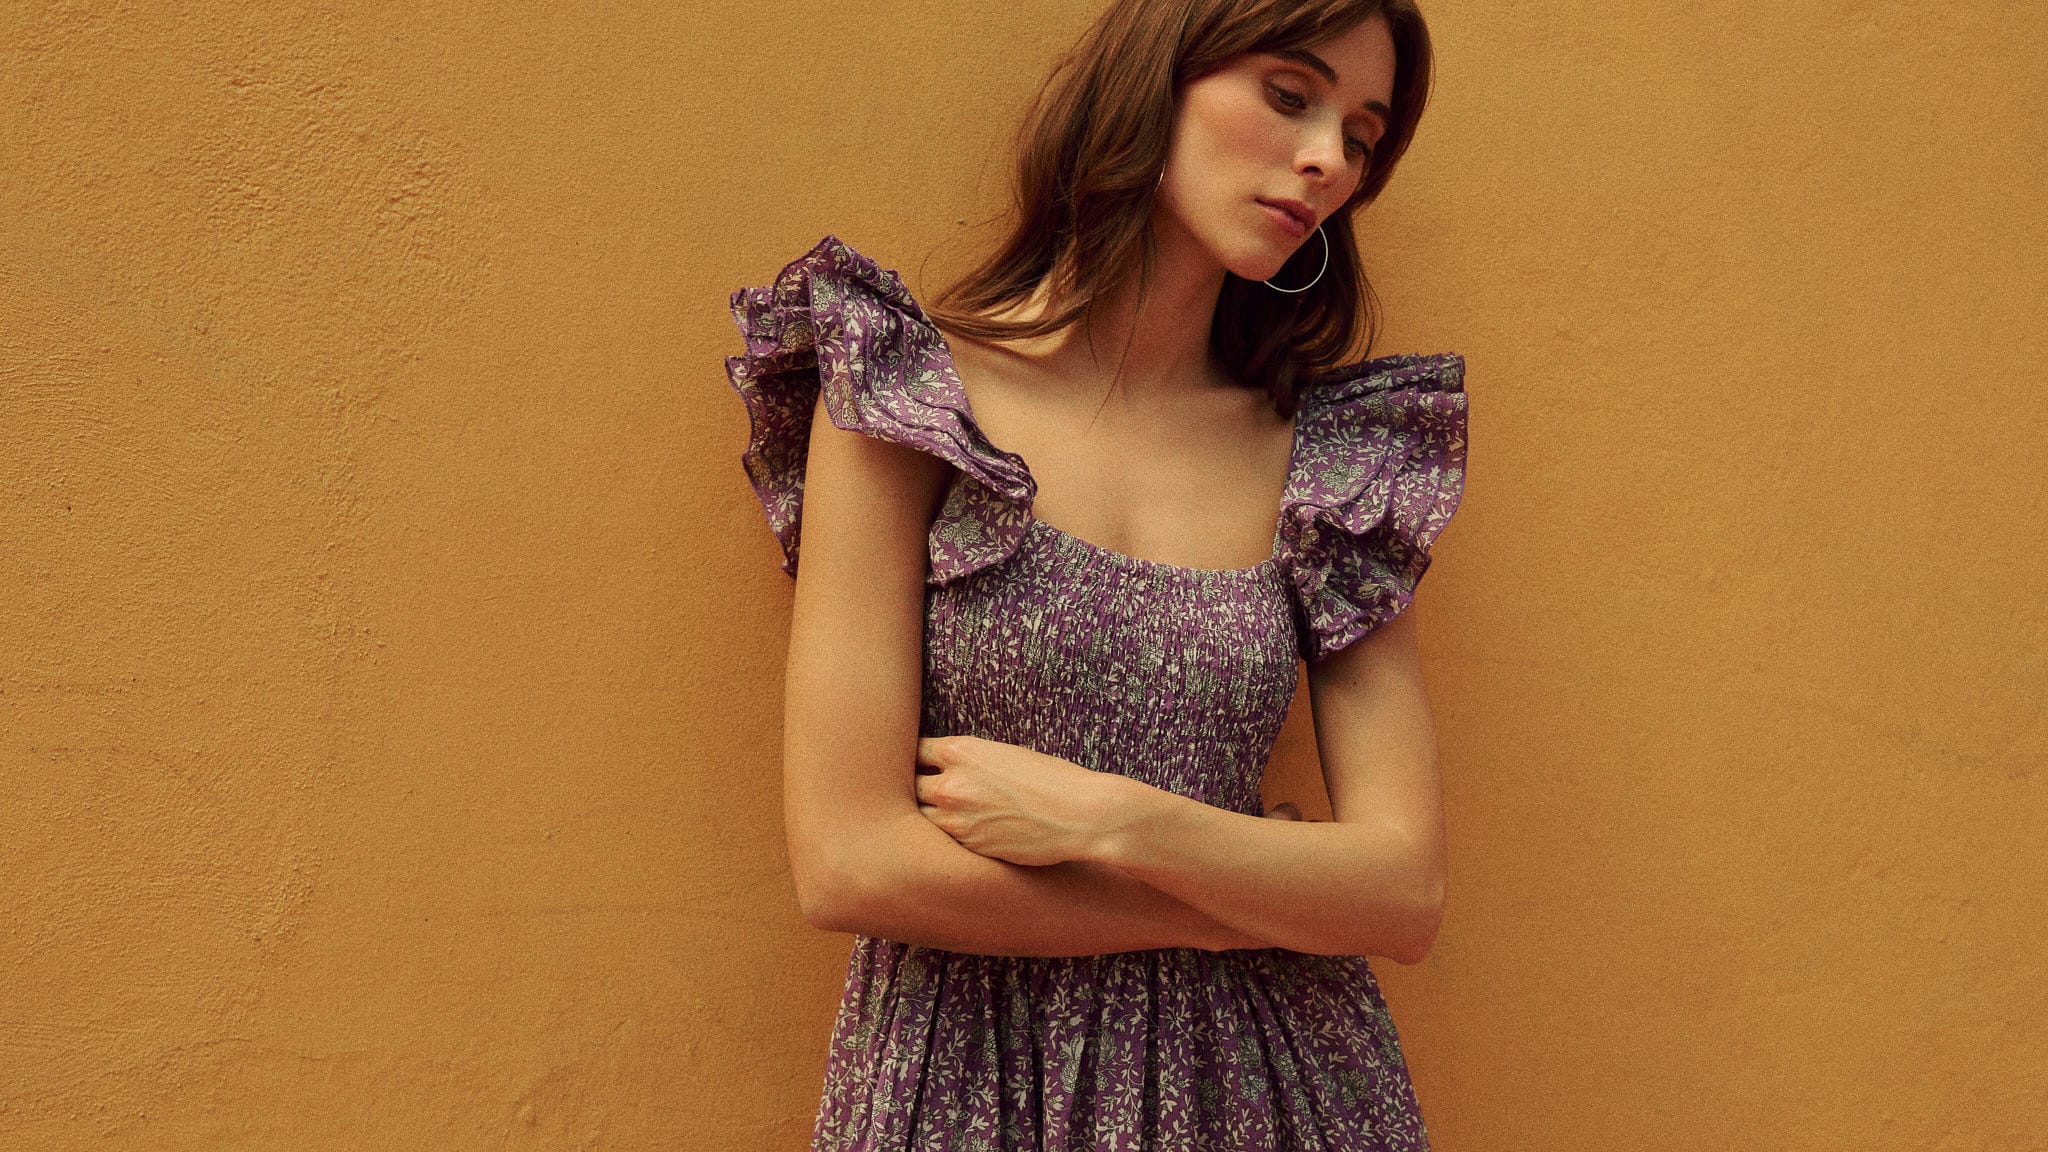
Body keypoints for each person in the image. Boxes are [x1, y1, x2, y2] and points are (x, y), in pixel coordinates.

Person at [724, 0, 1466, 1146]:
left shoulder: (1330, 469)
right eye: (1287, 96)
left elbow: (1400, 892)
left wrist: (1115, 822)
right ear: (1155, 80)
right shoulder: (906, 399)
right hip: (970, 1084)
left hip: (1271, 1091)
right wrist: (1233, 909)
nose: (1326, 159)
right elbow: (848, 863)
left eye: (1359, 137)